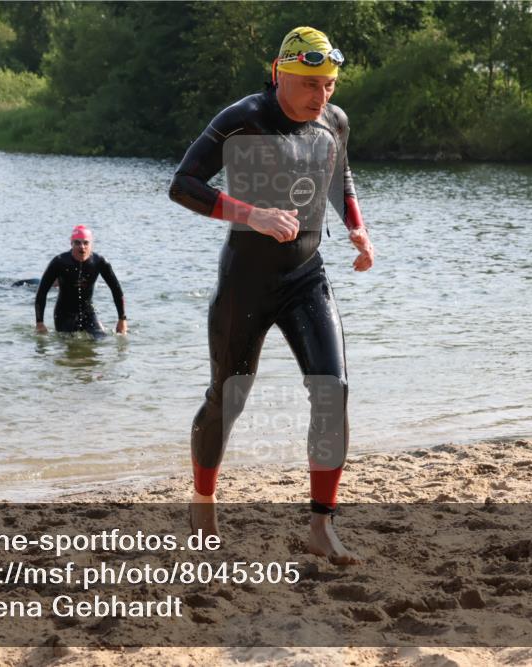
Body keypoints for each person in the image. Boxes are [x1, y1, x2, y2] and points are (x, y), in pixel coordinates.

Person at [168, 27, 375, 564]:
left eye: (328, 84)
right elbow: (184, 183)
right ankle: (203, 501)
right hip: (247, 281)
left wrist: (356, 227)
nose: (320, 95)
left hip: (306, 276)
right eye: (309, 82)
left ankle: (321, 526)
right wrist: (251, 213)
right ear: (279, 71)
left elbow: (340, 175)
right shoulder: (245, 119)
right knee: (227, 398)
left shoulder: (334, 121)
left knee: (334, 389)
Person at [35, 225, 127, 338]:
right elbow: (41, 292)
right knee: (70, 345)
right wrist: (40, 322)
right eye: (77, 243)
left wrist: (122, 319)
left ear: (91, 244)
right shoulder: (59, 262)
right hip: (64, 314)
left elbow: (116, 290)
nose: (82, 247)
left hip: (88, 312)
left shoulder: (99, 262)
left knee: (101, 340)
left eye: (86, 243)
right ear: (71, 244)